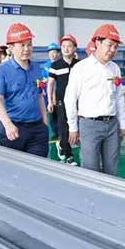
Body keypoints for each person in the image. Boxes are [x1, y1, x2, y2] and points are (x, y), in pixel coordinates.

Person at [64, 24, 125, 175]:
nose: (112, 50)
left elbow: (119, 98)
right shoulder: (81, 68)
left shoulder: (115, 69)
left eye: (115, 47)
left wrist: (122, 124)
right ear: (97, 42)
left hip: (112, 125)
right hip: (89, 125)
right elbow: (70, 99)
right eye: (109, 45)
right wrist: (73, 127)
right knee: (90, 170)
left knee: (112, 169)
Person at [0, 23, 49, 157]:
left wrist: (45, 122)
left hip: (37, 128)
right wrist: (8, 125)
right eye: (22, 45)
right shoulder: (2, 70)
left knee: (38, 166)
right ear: (11, 48)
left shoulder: (36, 68)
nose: (27, 49)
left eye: (29, 44)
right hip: (14, 129)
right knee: (14, 167)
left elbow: (39, 95)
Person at [47, 34, 79, 164]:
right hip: (61, 101)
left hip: (78, 101)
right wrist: (50, 101)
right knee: (63, 127)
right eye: (63, 46)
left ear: (74, 48)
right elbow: (50, 83)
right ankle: (68, 154)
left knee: (77, 126)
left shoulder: (79, 65)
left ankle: (62, 144)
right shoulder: (55, 65)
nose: (66, 49)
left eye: (69, 46)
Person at [42, 42, 60, 136]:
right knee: (52, 114)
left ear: (58, 53)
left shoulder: (61, 64)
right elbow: (42, 80)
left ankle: (61, 133)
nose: (52, 55)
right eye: (50, 52)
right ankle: (54, 132)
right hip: (49, 95)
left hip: (60, 95)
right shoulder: (46, 66)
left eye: (54, 52)